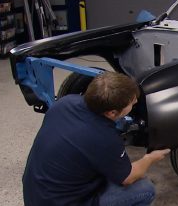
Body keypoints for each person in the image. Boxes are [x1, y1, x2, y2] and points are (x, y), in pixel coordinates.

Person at [22, 71, 170, 205]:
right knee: (144, 189)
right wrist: (150, 158)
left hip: (36, 193)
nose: (135, 102)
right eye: (131, 102)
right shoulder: (104, 137)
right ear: (112, 113)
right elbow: (128, 178)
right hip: (61, 202)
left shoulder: (64, 103)